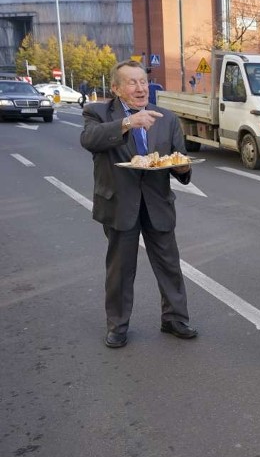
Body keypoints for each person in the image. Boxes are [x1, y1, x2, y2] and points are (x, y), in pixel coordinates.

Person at [80, 59, 198, 349]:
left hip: (157, 203)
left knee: (169, 264)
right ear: (117, 89)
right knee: (121, 269)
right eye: (132, 82)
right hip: (120, 203)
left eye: (143, 81)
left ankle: (174, 319)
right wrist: (128, 122)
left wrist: (182, 169)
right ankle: (118, 326)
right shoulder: (97, 112)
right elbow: (89, 140)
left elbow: (178, 158)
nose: (140, 87)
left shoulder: (166, 118)